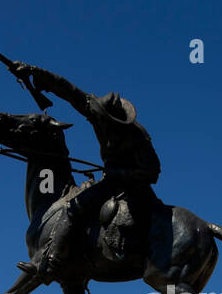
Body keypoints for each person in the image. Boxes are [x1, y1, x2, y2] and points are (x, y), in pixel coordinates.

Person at [10, 62, 161, 279]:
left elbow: (152, 172)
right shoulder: (99, 115)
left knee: (73, 207)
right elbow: (69, 91)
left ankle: (52, 262)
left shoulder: (138, 138)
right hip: (110, 180)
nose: (103, 123)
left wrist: (119, 174)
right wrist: (33, 71)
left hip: (132, 187)